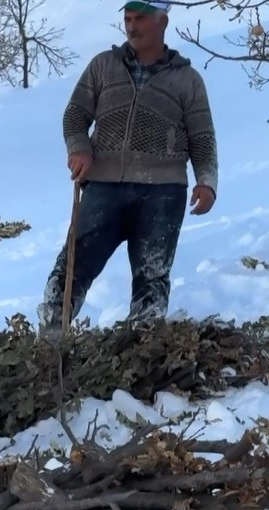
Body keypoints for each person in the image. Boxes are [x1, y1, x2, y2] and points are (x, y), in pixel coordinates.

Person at [36, 0, 219, 340]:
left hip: (163, 192)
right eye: (128, 19)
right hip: (104, 186)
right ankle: (49, 343)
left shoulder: (187, 79)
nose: (132, 27)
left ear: (162, 22)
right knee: (73, 266)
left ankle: (141, 350)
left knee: (152, 275)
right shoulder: (104, 66)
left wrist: (206, 182)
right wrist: (80, 149)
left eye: (141, 19)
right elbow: (75, 115)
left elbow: (203, 137)